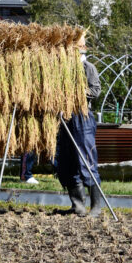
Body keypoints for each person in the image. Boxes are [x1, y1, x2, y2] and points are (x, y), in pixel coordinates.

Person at [54, 37, 102, 217]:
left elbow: (95, 90)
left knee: (86, 158)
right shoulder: (61, 69)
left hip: (81, 116)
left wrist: (76, 92)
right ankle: (78, 205)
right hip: (63, 116)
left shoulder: (88, 68)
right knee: (65, 159)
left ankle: (95, 206)